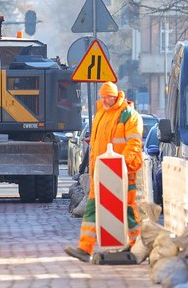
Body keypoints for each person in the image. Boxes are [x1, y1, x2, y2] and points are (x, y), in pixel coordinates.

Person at [64, 81, 144, 262]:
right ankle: (85, 248)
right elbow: (95, 147)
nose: (105, 100)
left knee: (128, 209)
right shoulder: (101, 114)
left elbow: (134, 144)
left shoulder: (128, 115)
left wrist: (122, 166)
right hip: (101, 173)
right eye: (103, 97)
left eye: (108, 97)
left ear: (116, 96)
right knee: (92, 209)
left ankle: (135, 244)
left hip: (123, 172)